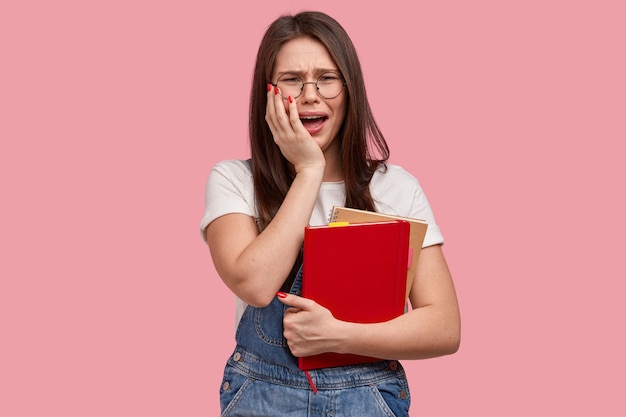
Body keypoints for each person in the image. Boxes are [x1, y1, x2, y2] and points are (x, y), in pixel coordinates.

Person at [200, 10, 460, 416]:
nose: (309, 94)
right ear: (267, 93)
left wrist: (338, 335)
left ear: (350, 88)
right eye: (291, 79)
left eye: (326, 78)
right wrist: (309, 170)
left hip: (369, 396)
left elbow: (444, 327)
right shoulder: (234, 180)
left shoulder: (395, 187)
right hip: (262, 398)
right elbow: (254, 284)